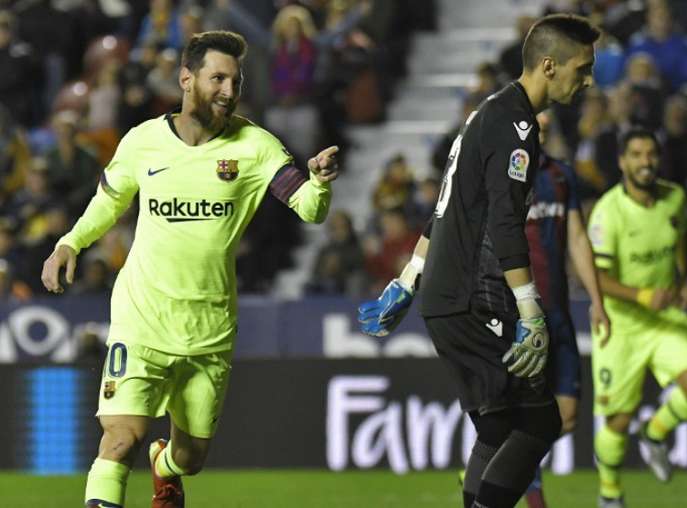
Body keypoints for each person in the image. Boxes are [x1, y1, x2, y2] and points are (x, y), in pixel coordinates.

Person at [40, 30, 339, 508]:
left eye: (235, 81)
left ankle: (167, 468)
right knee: (119, 440)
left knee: (191, 456)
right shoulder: (143, 142)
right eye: (217, 78)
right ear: (186, 79)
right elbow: (109, 200)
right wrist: (70, 242)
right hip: (142, 317)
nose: (228, 89)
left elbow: (307, 207)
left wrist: (320, 183)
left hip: (209, 328)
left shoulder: (255, 146)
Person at [358, 14, 599, 508]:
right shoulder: (517, 126)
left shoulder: (485, 114)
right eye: (583, 67)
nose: (589, 79)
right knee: (540, 422)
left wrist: (407, 280)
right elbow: (506, 223)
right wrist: (530, 310)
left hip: (446, 297)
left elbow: (447, 207)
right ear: (550, 66)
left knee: (497, 425)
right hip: (475, 296)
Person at [587, 128, 687, 508]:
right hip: (621, 324)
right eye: (637, 155)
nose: (645, 162)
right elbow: (597, 277)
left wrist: (685, 279)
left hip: (663, 320)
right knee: (617, 423)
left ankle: (655, 435)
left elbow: (681, 242)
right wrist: (642, 295)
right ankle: (610, 495)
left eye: (650, 154)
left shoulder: (673, 198)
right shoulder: (608, 213)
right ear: (623, 162)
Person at [522, 112, 610, 508]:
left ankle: (495, 462)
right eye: (532, 128)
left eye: (544, 129)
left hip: (558, 310)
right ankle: (522, 484)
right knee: (532, 413)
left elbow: (577, 237)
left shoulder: (560, 176)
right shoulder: (500, 179)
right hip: (518, 316)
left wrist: (596, 299)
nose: (539, 134)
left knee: (568, 416)